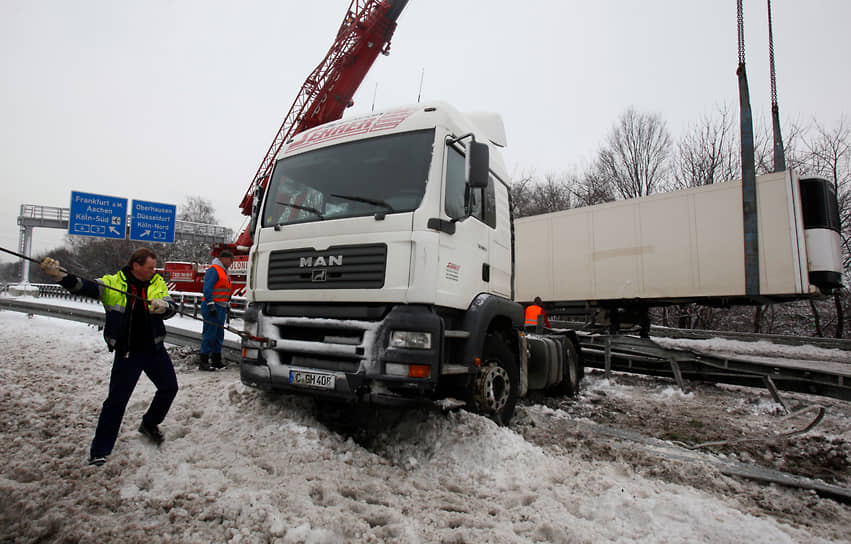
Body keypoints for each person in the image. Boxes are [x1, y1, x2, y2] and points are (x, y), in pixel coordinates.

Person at [40, 248, 179, 467]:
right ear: (136, 266)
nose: (154, 271)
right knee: (116, 401)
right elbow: (83, 286)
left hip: (154, 349)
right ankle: (100, 451)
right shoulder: (113, 283)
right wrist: (60, 276)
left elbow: (171, 306)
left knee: (169, 388)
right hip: (128, 352)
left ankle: (149, 423)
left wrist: (164, 307)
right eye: (150, 267)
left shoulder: (157, 283)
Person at [199, 250, 234, 371]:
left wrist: (227, 303)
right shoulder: (214, 270)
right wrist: (210, 304)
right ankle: (203, 361)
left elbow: (224, 290)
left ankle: (216, 360)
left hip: (221, 307)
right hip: (212, 307)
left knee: (219, 334)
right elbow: (207, 288)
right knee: (210, 334)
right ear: (224, 259)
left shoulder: (224, 271)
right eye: (231, 260)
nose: (231, 263)